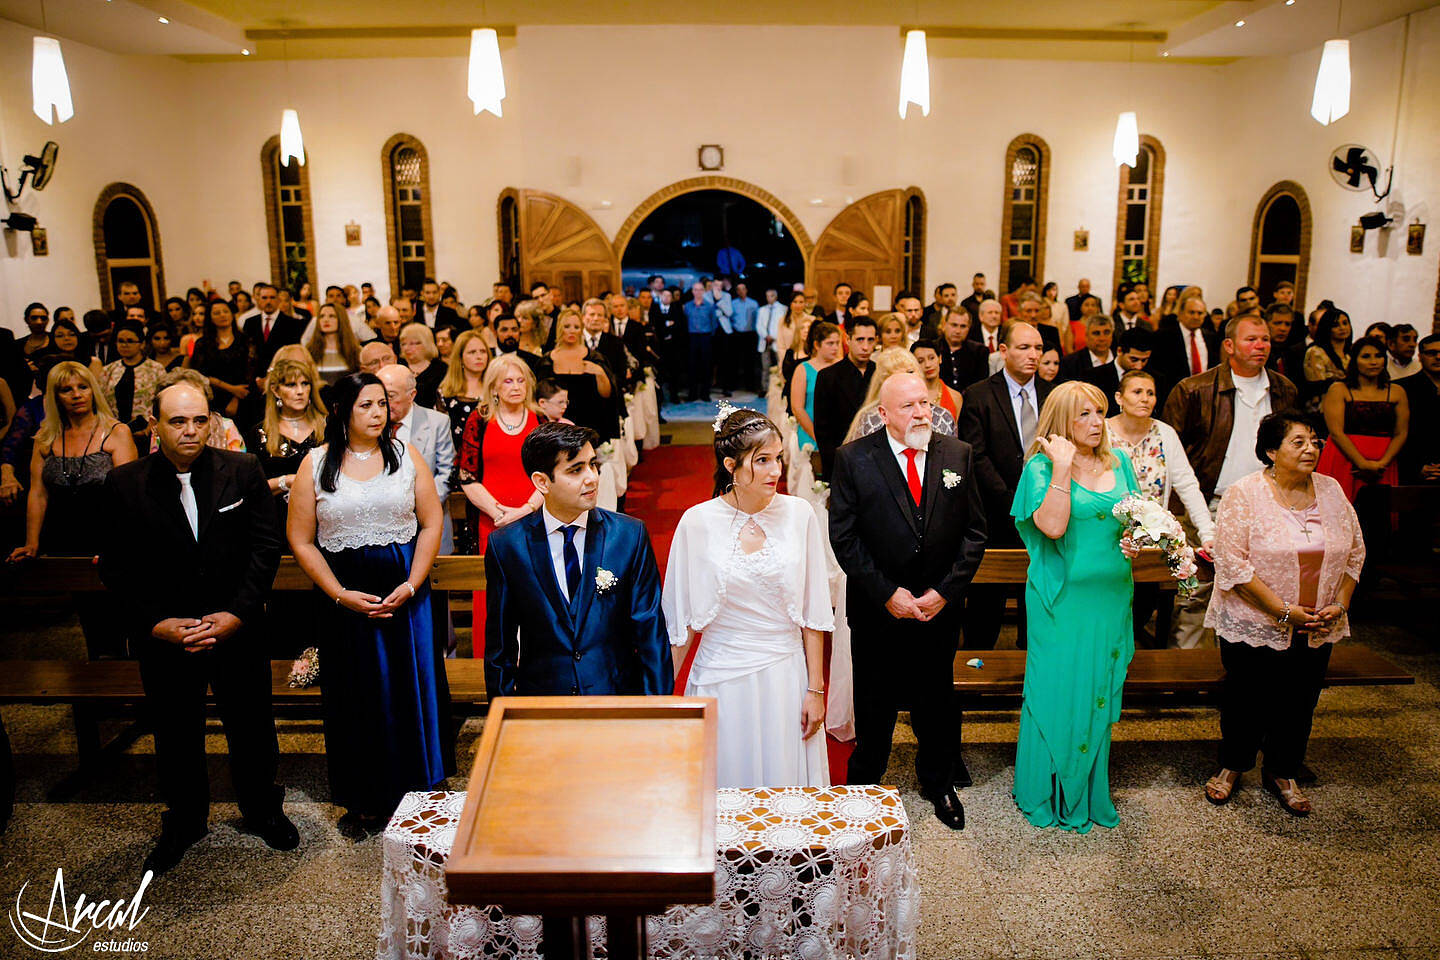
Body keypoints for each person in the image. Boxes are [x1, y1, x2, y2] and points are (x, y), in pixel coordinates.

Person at [100, 372, 296, 874]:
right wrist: (153, 624)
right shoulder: (126, 483)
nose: (190, 430)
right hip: (168, 633)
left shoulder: (242, 469)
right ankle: (186, 819)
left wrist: (237, 613)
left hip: (236, 626)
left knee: (251, 723)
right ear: (155, 425)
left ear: (210, 422)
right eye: (177, 421)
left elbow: (265, 548)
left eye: (198, 420)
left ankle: (261, 808)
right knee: (174, 728)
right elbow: (118, 567)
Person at [286, 373, 449, 837]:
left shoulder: (405, 456)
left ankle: (420, 788)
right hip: (345, 594)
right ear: (342, 412)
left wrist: (414, 582)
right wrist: (338, 593)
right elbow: (300, 539)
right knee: (357, 693)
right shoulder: (315, 464)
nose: (378, 414)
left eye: (382, 404)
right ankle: (364, 796)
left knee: (409, 687)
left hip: (403, 589)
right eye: (366, 406)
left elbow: (432, 522)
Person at [829, 373, 987, 829]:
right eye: (908, 406)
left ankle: (938, 782)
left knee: (935, 698)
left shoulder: (957, 454)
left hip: (938, 609)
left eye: (925, 403)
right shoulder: (854, 459)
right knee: (874, 702)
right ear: (884, 414)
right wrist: (887, 594)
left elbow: (974, 533)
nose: (921, 413)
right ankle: (864, 786)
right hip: (879, 609)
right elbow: (844, 536)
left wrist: (944, 592)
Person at [1202, 412, 1365, 815]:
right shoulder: (1245, 493)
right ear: (1271, 451)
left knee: (1300, 698)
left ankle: (1283, 770)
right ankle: (1232, 766)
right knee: (1247, 696)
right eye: (1299, 442)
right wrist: (1282, 611)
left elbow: (1354, 553)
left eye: (1314, 441)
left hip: (1317, 621)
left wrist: (1339, 605)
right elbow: (1232, 563)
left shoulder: (1330, 490)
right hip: (1256, 617)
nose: (1311, 448)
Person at [664, 409, 833, 788]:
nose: (775, 471)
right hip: (720, 677)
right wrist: (661, 696)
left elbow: (813, 613)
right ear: (731, 465)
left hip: (784, 676)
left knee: (782, 794)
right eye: (762, 461)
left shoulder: (800, 514)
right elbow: (683, 623)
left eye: (778, 459)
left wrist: (816, 690)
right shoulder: (697, 522)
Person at [1011, 380, 1142, 831]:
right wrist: (1063, 468)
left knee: (1098, 688)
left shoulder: (1120, 460)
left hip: (1111, 597)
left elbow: (1134, 516)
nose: (1095, 423)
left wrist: (1140, 539)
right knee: (1058, 689)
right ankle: (1046, 787)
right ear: (1061, 422)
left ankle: (1089, 788)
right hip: (1062, 602)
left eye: (1099, 412)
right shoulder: (1042, 469)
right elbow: (1051, 527)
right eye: (1083, 414)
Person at [483, 422, 672, 697]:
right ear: (542, 482)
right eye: (576, 469)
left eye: (592, 465)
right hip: (543, 702)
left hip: (615, 696)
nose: (592, 477)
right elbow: (500, 646)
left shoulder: (628, 536)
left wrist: (656, 710)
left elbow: (650, 632)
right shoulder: (507, 546)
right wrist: (502, 716)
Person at [1160, 315, 1298, 649]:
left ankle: (1246, 666)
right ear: (1229, 346)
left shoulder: (1283, 389)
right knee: (1194, 592)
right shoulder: (1194, 390)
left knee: (1260, 590)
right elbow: (1169, 452)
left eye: (1265, 339)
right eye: (1252, 339)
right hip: (1209, 504)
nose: (1261, 346)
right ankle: (1185, 669)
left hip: (1267, 504)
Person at [959, 323, 1054, 655]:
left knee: (1039, 602)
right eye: (1024, 347)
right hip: (997, 515)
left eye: (1038, 348)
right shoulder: (980, 394)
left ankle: (1036, 670)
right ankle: (975, 667)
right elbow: (976, 455)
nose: (1033, 355)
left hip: (1047, 516)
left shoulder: (1052, 394)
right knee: (987, 606)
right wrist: (1014, 500)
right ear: (1003, 350)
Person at [1107, 369, 1216, 645]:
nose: (1145, 398)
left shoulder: (1164, 433)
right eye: (1137, 392)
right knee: (1110, 607)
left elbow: (1187, 485)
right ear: (1119, 397)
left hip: (1152, 541)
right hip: (1107, 537)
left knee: (1143, 607)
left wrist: (1207, 531)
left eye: (1150, 393)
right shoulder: (1103, 431)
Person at [1315, 337, 1409, 501]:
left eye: (1378, 356)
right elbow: (1336, 432)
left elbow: (1401, 432)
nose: (1373, 362)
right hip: (1344, 458)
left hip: (1384, 462)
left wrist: (1382, 464)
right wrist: (1362, 463)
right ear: (1354, 360)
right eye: (1366, 356)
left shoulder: (1397, 391)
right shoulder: (1339, 389)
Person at [376, 364, 455, 556]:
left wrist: (411, 507)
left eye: (391, 396)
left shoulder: (437, 423)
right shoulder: (371, 424)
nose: (384, 403)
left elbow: (446, 474)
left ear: (411, 395)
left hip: (428, 522)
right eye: (380, 396)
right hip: (380, 529)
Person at [246, 354, 325, 525]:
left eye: (305, 384)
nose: (300, 391)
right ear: (275, 390)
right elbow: (251, 488)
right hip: (276, 520)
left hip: (325, 518)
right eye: (291, 385)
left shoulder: (327, 427)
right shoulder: (259, 433)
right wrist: (287, 481)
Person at [812, 316, 877, 480]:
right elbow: (822, 429)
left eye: (870, 340)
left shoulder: (881, 374)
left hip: (877, 462)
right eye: (860, 339)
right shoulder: (828, 376)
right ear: (848, 339)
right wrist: (836, 465)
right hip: (840, 461)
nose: (865, 346)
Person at [548, 309, 617, 442]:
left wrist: (600, 373)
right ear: (559, 328)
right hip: (557, 425)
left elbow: (607, 395)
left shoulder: (594, 358)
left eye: (576, 327)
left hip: (589, 420)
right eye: (567, 326)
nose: (572, 331)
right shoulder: (546, 361)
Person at [438, 329, 490, 487]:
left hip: (491, 465)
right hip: (456, 467)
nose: (479, 356)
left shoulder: (496, 391)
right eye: (472, 352)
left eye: (483, 351)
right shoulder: (445, 393)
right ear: (460, 358)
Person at [187, 299, 255, 419]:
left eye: (225, 311)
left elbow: (251, 371)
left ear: (232, 315)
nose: (222, 315)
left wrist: (236, 397)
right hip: (213, 397)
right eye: (217, 313)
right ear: (210, 318)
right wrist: (231, 389)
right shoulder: (202, 344)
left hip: (243, 396)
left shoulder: (245, 340)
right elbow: (200, 375)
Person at [102, 321, 166, 441]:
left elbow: (162, 401)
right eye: (121, 341)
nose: (125, 345)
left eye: (130, 341)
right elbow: (102, 403)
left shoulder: (156, 369)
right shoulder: (108, 370)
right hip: (114, 432)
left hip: (147, 432)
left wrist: (149, 428)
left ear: (142, 344)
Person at [789, 320, 842, 457]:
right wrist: (817, 435)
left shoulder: (842, 367)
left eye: (837, 343)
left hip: (838, 433)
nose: (835, 348)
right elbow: (797, 408)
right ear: (817, 345)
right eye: (830, 343)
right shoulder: (803, 369)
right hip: (810, 432)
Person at [1397, 334, 1440, 483]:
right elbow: (1397, 433)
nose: (1438, 357)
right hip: (1413, 471)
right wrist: (1416, 467)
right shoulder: (1401, 388)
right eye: (1431, 353)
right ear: (1420, 356)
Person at [1303, 307, 1352, 411]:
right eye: (1335, 325)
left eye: (1345, 323)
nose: (1342, 328)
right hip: (1324, 404)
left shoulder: (1351, 353)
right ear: (1327, 328)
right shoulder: (1315, 352)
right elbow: (1317, 385)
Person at [305, 302, 361, 387]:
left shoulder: (356, 351)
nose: (325, 320)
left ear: (341, 319)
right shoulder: (309, 351)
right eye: (322, 316)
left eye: (332, 316)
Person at [912, 338, 964, 425]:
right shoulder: (910, 396)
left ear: (940, 358)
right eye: (921, 361)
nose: (928, 365)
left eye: (931, 358)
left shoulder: (955, 397)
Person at [938, 309, 990, 391]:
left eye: (963, 326)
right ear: (944, 325)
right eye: (954, 325)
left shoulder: (980, 351)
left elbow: (981, 386)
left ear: (969, 328)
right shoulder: (932, 349)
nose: (958, 331)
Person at [683, 282, 718, 402]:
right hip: (692, 338)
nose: (698, 292)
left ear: (703, 291)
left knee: (706, 366)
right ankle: (692, 394)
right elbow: (685, 322)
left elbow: (714, 323)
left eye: (700, 290)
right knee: (692, 366)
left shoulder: (709, 306)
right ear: (692, 291)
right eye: (695, 290)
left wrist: (709, 335)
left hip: (705, 337)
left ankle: (705, 393)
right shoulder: (687, 306)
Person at [399, 323, 446, 409]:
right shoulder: (398, 367)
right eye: (403, 344)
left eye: (413, 343)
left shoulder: (441, 369)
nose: (407, 348)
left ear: (427, 344)